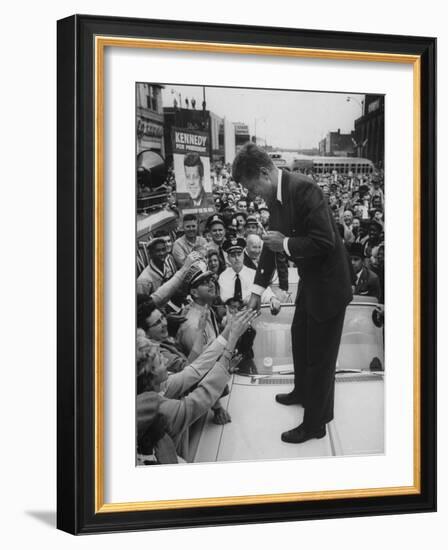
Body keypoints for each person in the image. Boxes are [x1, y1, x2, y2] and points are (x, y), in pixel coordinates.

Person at [232, 143, 353, 444]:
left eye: (254, 188)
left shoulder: (305, 189)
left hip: (329, 285)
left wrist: (286, 244)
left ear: (264, 173)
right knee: (300, 338)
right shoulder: (276, 195)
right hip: (312, 281)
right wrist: (257, 291)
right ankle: (302, 391)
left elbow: (324, 241)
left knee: (321, 358)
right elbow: (271, 246)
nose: (255, 195)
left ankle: (315, 424)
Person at [136, 310, 257, 460]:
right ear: (149, 377)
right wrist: (232, 341)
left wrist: (228, 330)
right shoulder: (161, 409)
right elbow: (201, 397)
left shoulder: (159, 387)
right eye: (161, 362)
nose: (166, 362)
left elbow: (194, 369)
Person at [218, 237, 281, 312]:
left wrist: (272, 299)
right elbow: (225, 297)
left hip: (252, 315)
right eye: (233, 255)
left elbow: (265, 293)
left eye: (239, 254)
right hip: (231, 315)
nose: (237, 258)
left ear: (243, 255)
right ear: (228, 258)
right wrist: (246, 301)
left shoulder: (254, 274)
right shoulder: (223, 276)